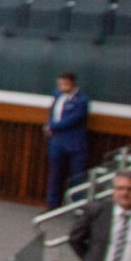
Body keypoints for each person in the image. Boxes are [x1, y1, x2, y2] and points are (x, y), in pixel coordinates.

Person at [45, 71, 90, 208]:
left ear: (71, 83)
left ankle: (77, 206)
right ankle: (52, 205)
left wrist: (51, 126)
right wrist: (49, 124)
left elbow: (72, 120)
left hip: (75, 144)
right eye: (59, 83)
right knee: (55, 175)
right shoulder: (57, 95)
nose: (61, 86)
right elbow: (51, 113)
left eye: (64, 83)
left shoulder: (81, 100)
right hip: (56, 142)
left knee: (77, 176)